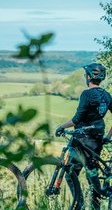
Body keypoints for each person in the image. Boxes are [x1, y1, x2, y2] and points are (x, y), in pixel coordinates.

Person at [55, 62, 112, 210]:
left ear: (88, 77)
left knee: (71, 173)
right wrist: (108, 136)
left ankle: (78, 205)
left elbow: (77, 119)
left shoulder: (86, 94)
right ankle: (96, 206)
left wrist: (61, 126)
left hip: (83, 140)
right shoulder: (106, 95)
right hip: (97, 138)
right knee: (91, 174)